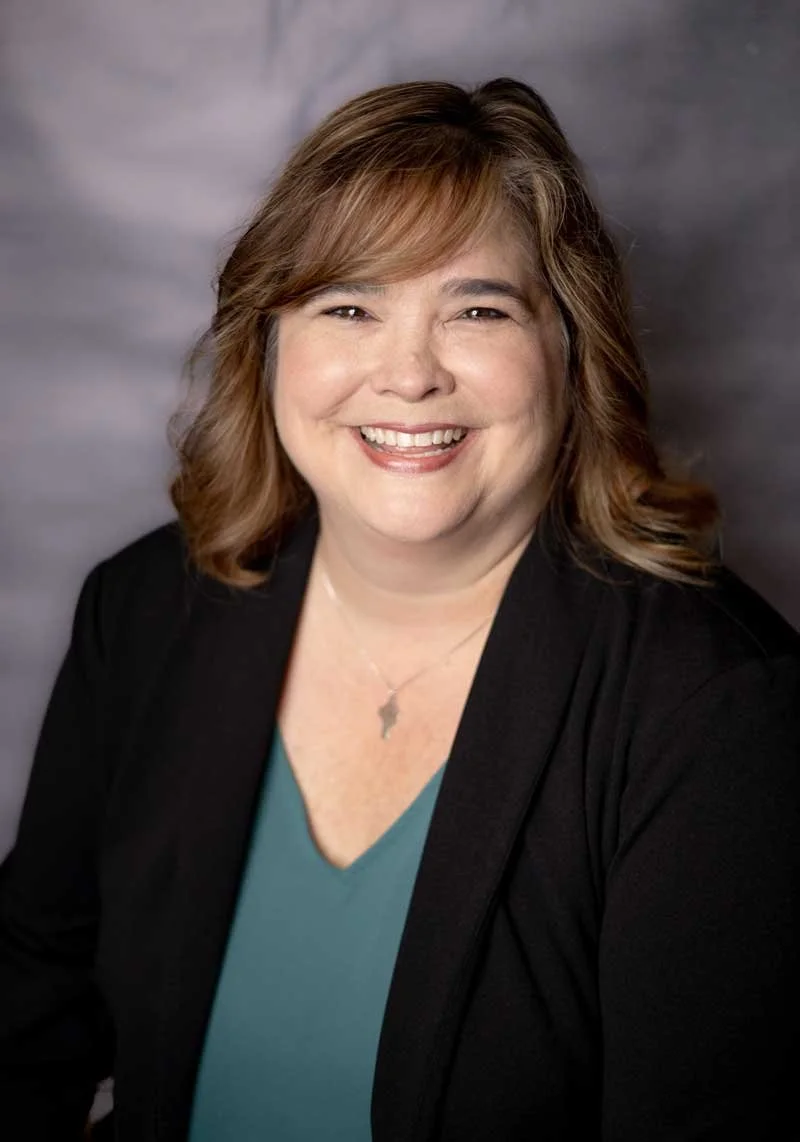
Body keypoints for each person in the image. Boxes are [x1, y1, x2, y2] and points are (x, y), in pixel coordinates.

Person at [1, 77, 798, 1142]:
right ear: (267, 344)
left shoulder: (715, 708)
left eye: (476, 308)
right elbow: (28, 1004)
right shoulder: (147, 611)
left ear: (569, 348)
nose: (409, 374)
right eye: (348, 306)